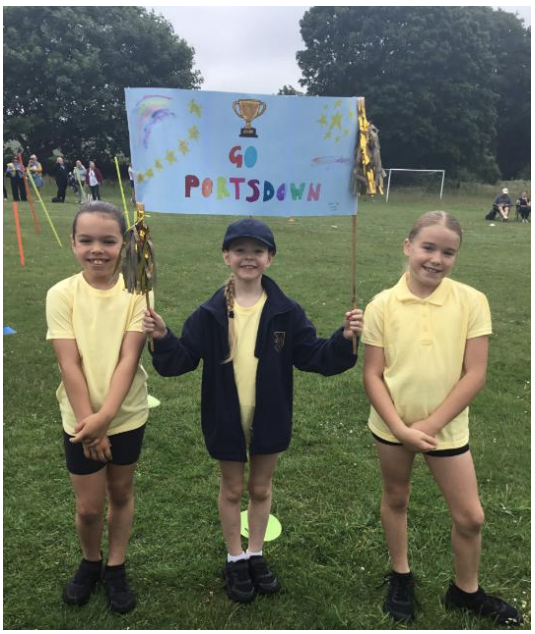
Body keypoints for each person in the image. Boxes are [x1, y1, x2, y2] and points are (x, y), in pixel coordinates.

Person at [142, 218, 363, 604]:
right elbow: (180, 361)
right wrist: (162, 337)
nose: (249, 257)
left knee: (260, 488)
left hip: (270, 416)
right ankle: (234, 557)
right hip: (226, 417)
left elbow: (314, 356)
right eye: (240, 250)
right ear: (226, 256)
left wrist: (344, 339)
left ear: (270, 258)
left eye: (257, 251)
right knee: (231, 489)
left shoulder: (285, 312)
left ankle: (256, 553)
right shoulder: (209, 313)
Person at [361, 211, 523, 626]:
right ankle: (401, 574)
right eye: (428, 248)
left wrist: (427, 428)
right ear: (408, 247)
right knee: (396, 498)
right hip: (392, 427)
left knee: (471, 517)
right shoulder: (382, 304)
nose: (436, 259)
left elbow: (476, 374)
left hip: (444, 431)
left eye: (447, 252)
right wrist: (401, 429)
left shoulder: (471, 300)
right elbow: (373, 374)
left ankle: (465, 591)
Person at [46, 200, 152, 614]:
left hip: (125, 416)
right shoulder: (61, 294)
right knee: (89, 507)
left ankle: (116, 565)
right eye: (86, 240)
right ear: (72, 243)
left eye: (107, 241)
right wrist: (90, 424)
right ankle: (90, 561)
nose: (97, 250)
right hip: (80, 419)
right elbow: (68, 363)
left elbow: (129, 359)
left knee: (121, 492)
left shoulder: (137, 291)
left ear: (123, 244)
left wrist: (106, 419)